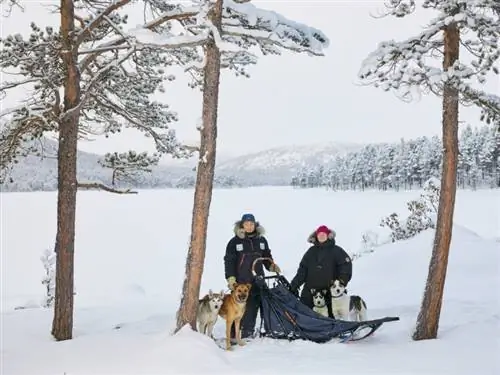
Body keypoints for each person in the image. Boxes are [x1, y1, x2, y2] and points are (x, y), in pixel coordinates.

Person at [224, 213, 281, 340]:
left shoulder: (261, 240)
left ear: (255, 225)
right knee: (237, 309)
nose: (249, 227)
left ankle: (247, 333)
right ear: (242, 225)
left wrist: (271, 266)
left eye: (251, 224)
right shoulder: (234, 242)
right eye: (246, 224)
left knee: (252, 307)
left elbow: (266, 256)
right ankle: (234, 335)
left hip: (257, 280)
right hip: (241, 282)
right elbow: (229, 261)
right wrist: (231, 278)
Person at [289, 225, 352, 310]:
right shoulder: (310, 252)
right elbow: (302, 270)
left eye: (323, 234)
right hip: (310, 293)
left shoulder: (337, 250)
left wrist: (341, 283)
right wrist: (294, 285)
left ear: (328, 236)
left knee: (330, 320)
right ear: (316, 236)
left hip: (330, 293)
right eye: (319, 235)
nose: (321, 236)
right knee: (306, 316)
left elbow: (346, 266)